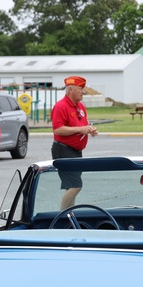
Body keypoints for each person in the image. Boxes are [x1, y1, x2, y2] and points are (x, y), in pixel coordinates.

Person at [51, 76, 98, 210]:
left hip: (76, 151)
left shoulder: (81, 106)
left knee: (71, 185)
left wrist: (89, 130)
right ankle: (61, 216)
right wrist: (80, 129)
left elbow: (82, 125)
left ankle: (68, 216)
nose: (83, 92)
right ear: (70, 90)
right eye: (80, 89)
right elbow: (58, 130)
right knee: (75, 185)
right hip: (63, 150)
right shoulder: (61, 106)